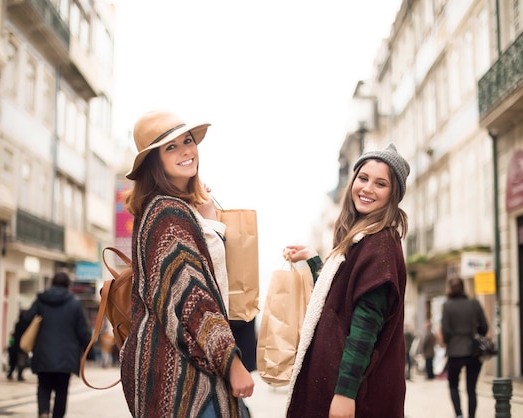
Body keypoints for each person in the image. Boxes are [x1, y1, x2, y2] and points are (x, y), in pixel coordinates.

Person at [120, 109, 254, 418]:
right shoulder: (168, 213)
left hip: (174, 367)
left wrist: (207, 220)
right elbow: (194, 298)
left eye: (188, 141)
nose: (186, 151)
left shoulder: (167, 210)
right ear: (155, 161)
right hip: (181, 375)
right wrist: (232, 363)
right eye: (171, 147)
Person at [283, 143, 410, 418]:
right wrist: (315, 261)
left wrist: (344, 395)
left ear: (393, 194)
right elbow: (340, 301)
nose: (367, 189)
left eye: (380, 184)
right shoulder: (362, 239)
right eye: (363, 178)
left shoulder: (379, 245)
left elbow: (364, 328)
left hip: (353, 394)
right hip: (334, 385)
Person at [22, 272, 92, 418]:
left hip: (43, 353)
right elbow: (83, 332)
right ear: (68, 285)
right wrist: (89, 352)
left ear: (52, 283)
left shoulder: (41, 300)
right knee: (61, 391)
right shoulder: (74, 303)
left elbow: (27, 318)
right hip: (66, 357)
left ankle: (43, 413)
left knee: (43, 387)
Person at [440, 277, 489, 418]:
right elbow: (485, 327)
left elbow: (446, 331)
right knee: (471, 388)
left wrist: (451, 341)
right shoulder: (474, 303)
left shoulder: (447, 305)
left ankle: (459, 415)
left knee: (453, 385)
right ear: (463, 287)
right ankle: (471, 416)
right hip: (473, 350)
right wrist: (476, 334)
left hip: (455, 350)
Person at [7, 310, 29, 381]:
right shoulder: (27, 324)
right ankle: (19, 375)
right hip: (23, 345)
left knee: (13, 361)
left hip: (16, 345)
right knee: (21, 361)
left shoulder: (17, 324)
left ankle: (10, 373)